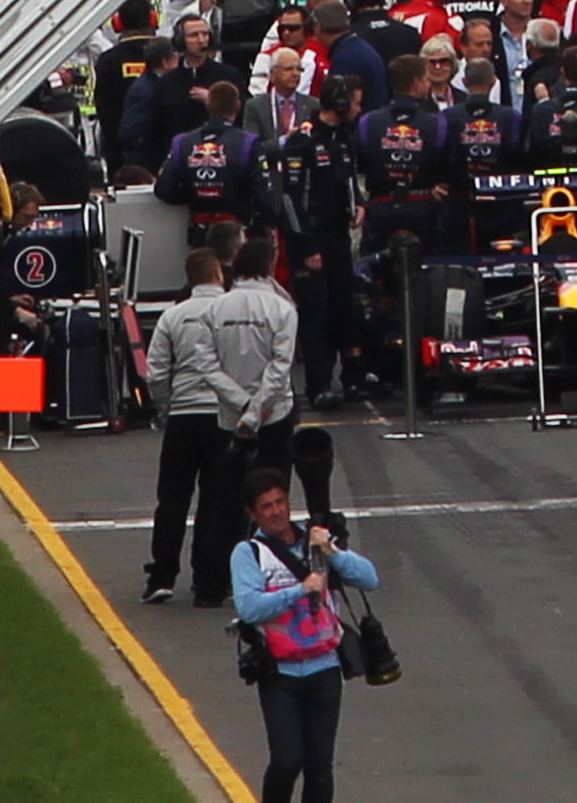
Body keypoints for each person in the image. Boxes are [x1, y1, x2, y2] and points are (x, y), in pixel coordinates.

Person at [229, 467, 375, 803]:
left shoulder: (315, 542)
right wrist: (299, 590)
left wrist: (333, 551)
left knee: (320, 767)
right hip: (279, 673)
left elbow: (369, 579)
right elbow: (250, 608)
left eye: (281, 502)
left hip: (324, 668)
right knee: (286, 761)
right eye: (267, 506)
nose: (277, 511)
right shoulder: (249, 554)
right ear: (253, 513)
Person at [140, 248, 262, 607]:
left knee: (172, 499)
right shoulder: (233, 313)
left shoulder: (173, 316)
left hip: (183, 417)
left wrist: (166, 407)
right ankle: (208, 578)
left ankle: (161, 575)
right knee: (217, 501)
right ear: (218, 276)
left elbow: (156, 372)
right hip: (224, 417)